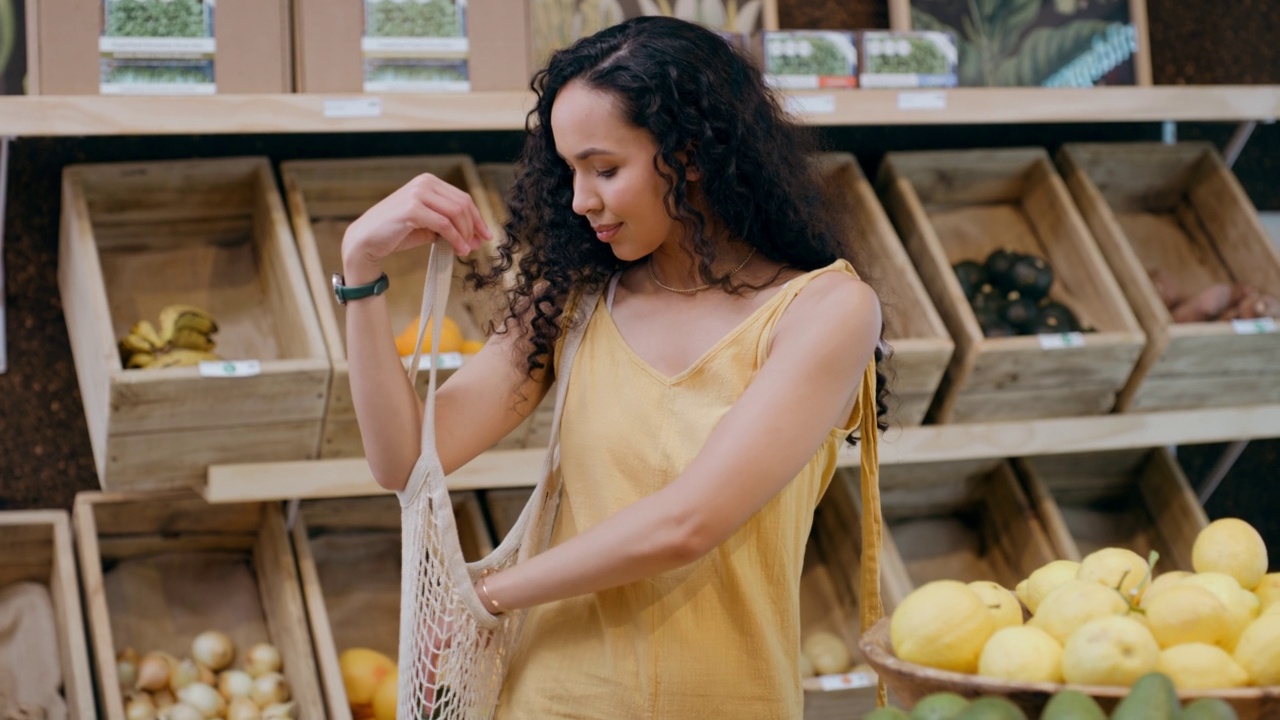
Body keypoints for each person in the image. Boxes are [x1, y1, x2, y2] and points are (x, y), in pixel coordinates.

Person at [338, 15, 886, 719]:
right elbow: (405, 462)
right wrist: (361, 271)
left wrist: (488, 595)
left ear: (689, 154)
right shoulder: (575, 298)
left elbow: (689, 522)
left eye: (604, 169)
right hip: (549, 701)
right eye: (569, 170)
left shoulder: (825, 310)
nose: (579, 200)